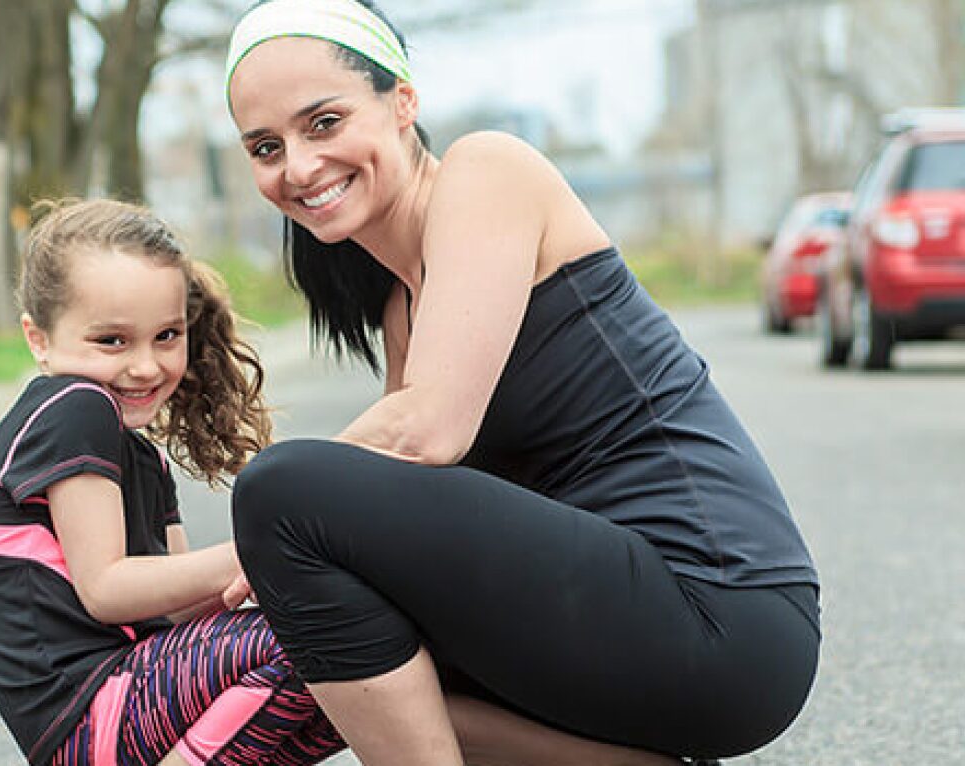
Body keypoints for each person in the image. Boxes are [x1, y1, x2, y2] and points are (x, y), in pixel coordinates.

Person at [222, 1, 822, 764]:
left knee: (282, 494)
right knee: (354, 645)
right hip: (618, 634)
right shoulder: (401, 309)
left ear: (402, 101)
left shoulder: (488, 172)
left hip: (720, 609)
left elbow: (426, 432)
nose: (298, 166)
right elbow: (386, 511)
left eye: (324, 123)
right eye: (266, 146)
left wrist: (249, 544)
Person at [0, 199, 344, 766]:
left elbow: (179, 613)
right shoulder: (74, 406)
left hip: (132, 695)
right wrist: (256, 555)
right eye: (111, 341)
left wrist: (292, 574)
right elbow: (107, 588)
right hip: (91, 713)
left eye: (166, 336)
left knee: (363, 669)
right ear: (39, 339)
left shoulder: (139, 455)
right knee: (328, 635)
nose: (145, 366)